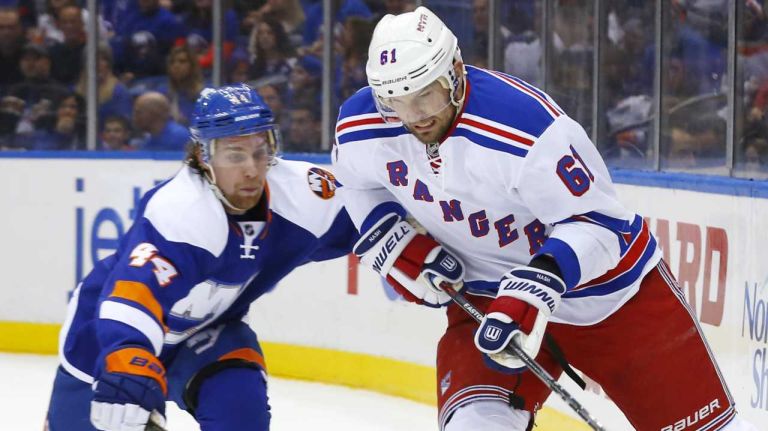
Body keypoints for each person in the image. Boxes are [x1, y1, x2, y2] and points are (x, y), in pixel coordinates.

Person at [332, 7, 757, 431]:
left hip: (612, 299)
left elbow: (601, 225)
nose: (415, 116)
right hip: (488, 302)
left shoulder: (525, 128)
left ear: (456, 72)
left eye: (426, 95)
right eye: (396, 102)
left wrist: (539, 285)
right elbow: (355, 183)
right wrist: (391, 237)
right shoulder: (362, 126)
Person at [45, 83, 357, 431]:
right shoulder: (181, 211)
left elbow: (369, 214)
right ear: (202, 156)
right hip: (109, 338)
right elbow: (136, 293)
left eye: (261, 150)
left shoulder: (302, 192)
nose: (252, 169)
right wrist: (127, 354)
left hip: (206, 331)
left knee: (240, 412)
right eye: (235, 155)